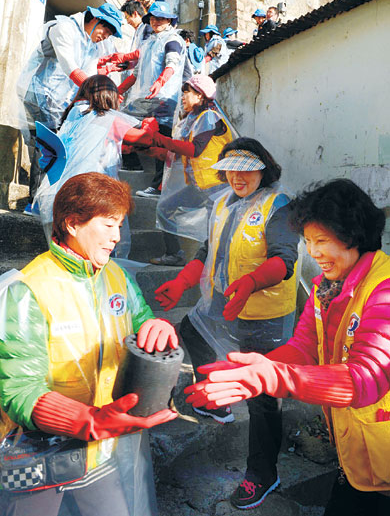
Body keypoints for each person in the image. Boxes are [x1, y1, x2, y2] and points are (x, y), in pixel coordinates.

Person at [185, 178, 390, 515]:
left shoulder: (383, 291)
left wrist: (272, 377)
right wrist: (249, 371)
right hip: (359, 456)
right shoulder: (327, 288)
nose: (312, 252)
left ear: (353, 237)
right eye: (308, 241)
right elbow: (304, 346)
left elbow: (363, 381)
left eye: (321, 241)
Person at [0, 172, 178, 516]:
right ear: (72, 223)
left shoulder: (116, 276)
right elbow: (20, 390)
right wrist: (89, 421)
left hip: (100, 453)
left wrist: (157, 327)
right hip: (38, 458)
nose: (117, 237)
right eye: (108, 224)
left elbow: (140, 324)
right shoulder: (29, 289)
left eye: (121, 225)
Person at [155, 137, 299, 509]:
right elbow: (208, 251)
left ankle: (262, 476)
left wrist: (251, 282)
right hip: (221, 303)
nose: (238, 176)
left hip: (265, 315)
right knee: (190, 329)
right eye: (232, 169)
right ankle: (217, 404)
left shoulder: (277, 205)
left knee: (264, 399)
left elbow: (284, 260)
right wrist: (182, 282)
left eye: (247, 169)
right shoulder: (222, 202)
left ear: (262, 169)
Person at [34, 74, 157, 258]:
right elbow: (144, 138)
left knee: (67, 255)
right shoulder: (107, 118)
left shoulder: (74, 115)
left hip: (58, 194)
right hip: (91, 195)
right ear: (108, 96)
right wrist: (151, 124)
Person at [18, 2, 123, 213]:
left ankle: (44, 201)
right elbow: (71, 67)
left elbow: (90, 75)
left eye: (110, 34)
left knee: (54, 149)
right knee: (48, 149)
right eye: (106, 29)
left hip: (58, 101)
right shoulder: (63, 28)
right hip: (39, 94)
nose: (105, 36)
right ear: (94, 19)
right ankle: (37, 203)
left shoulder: (91, 44)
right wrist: (96, 91)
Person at [145, 74, 235, 266]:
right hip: (198, 186)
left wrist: (159, 139)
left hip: (216, 187)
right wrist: (149, 148)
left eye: (187, 92)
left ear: (200, 96)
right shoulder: (191, 121)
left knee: (215, 237)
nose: (183, 96)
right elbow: (177, 155)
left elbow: (195, 149)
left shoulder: (209, 117)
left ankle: (213, 272)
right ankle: (175, 255)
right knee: (164, 208)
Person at [101, 1, 185, 199]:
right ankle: (129, 164)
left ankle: (158, 186)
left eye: (161, 18)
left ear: (170, 20)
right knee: (121, 123)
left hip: (164, 98)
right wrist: (119, 90)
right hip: (145, 97)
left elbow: (172, 63)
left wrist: (161, 81)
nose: (156, 21)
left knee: (162, 138)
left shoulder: (173, 40)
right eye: (154, 18)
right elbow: (136, 73)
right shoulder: (149, 42)